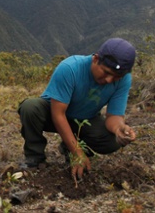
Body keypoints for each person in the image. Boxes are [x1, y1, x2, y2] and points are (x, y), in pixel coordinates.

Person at [18, 38, 137, 181]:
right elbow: (58, 114)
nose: (109, 80)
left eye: (116, 77)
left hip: (85, 120)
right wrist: (77, 152)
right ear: (95, 59)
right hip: (52, 114)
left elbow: (114, 116)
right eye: (106, 72)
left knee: (112, 141)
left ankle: (68, 148)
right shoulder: (70, 68)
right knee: (30, 107)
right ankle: (35, 157)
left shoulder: (124, 80)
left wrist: (119, 128)